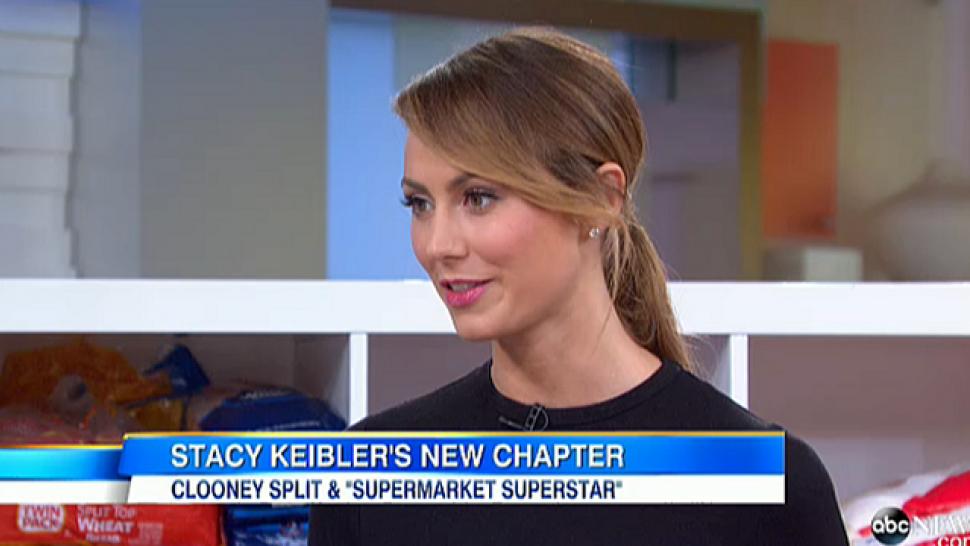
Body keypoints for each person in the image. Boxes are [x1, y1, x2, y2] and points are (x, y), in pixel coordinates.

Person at [310, 27, 849, 546]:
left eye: (478, 198)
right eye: (420, 204)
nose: (437, 245)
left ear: (601, 199)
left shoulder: (770, 487)